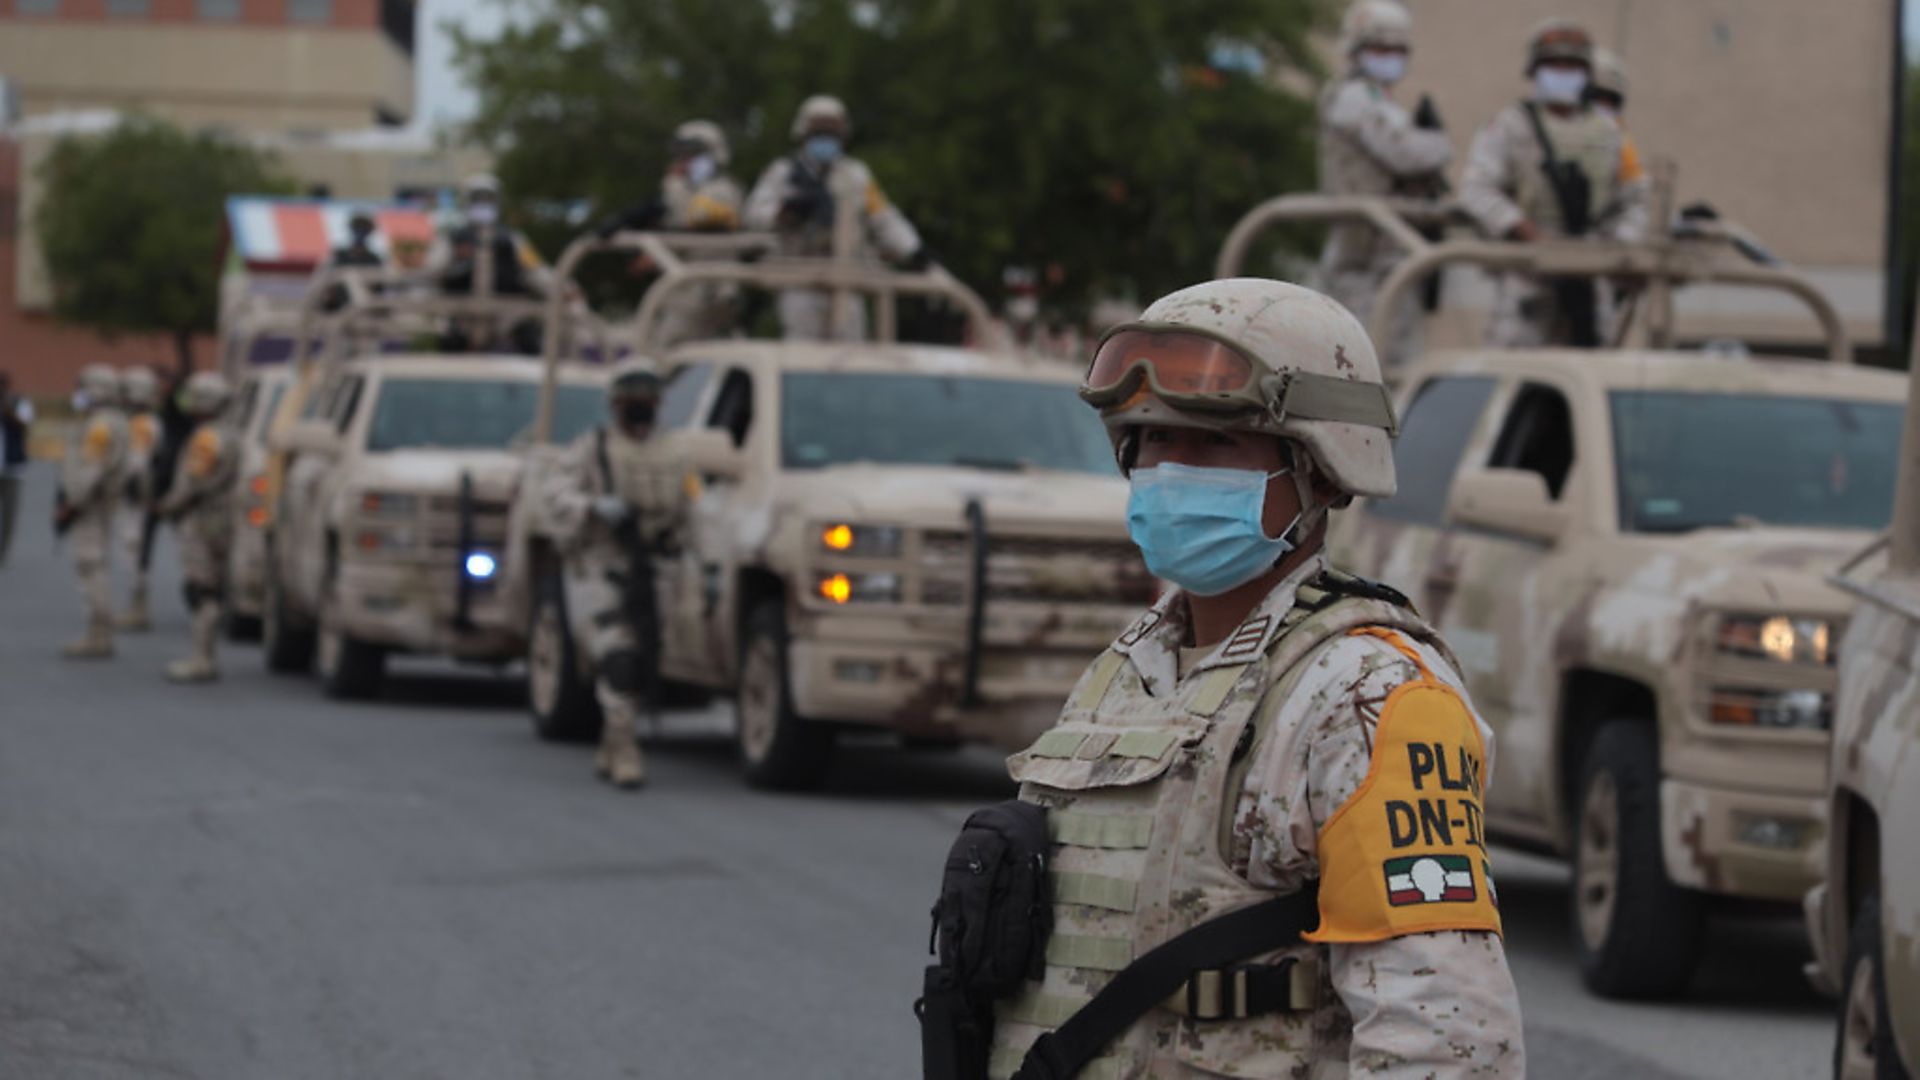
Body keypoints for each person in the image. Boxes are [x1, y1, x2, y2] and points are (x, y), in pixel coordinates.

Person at [985, 278, 1523, 1078]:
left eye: (1215, 445)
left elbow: (1448, 1038)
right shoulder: (1130, 670)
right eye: (1153, 442)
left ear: (1325, 471)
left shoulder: (1374, 696)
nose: (1170, 471)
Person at [538, 359, 699, 789]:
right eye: (632, 403)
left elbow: (693, 509)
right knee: (618, 655)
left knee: (644, 656)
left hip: (656, 571)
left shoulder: (675, 454)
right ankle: (626, 746)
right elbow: (555, 494)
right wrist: (592, 508)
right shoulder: (593, 449)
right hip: (602, 565)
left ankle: (612, 740)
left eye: (647, 402)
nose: (640, 411)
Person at [1461, 19, 1642, 347]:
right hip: (1528, 275)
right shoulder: (1510, 125)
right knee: (1517, 375)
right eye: (1554, 64)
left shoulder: (1610, 134)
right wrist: (1521, 228)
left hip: (1590, 272)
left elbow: (1633, 201)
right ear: (1535, 70)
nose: (1563, 72)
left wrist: (1619, 247)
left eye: (1572, 65)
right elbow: (1476, 189)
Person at [1315, 0, 1453, 368]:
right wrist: (1438, 142)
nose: (1389, 57)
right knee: (1361, 360)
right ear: (1356, 50)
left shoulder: (1380, 101)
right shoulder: (1353, 96)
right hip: (1363, 256)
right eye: (1380, 48)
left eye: (1397, 50)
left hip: (1390, 253)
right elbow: (1408, 153)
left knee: (1396, 363)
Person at [743, 95, 930, 340]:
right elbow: (753, 214)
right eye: (818, 132)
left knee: (850, 353)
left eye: (831, 133)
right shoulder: (783, 173)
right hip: (799, 279)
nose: (825, 139)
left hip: (847, 278)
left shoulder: (856, 175)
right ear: (803, 133)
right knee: (803, 353)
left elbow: (884, 217)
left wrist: (913, 249)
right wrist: (784, 213)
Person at [598, 120, 746, 345]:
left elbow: (698, 219)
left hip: (710, 292)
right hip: (684, 290)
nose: (684, 163)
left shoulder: (724, 190)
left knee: (671, 351)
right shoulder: (685, 192)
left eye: (693, 155)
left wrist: (672, 186)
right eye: (682, 156)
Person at [158, 372, 240, 683]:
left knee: (202, 589)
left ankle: (202, 658)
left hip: (203, 518)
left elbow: (192, 482)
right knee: (213, 588)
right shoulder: (231, 434)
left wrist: (167, 506)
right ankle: (205, 656)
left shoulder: (206, 438)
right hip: (223, 518)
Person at [55, 364, 131, 659]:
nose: (79, 392)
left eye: (83, 386)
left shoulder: (101, 425)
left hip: (90, 506)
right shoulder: (112, 420)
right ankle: (99, 634)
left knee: (90, 566)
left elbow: (93, 469)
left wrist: (71, 504)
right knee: (95, 565)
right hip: (97, 503)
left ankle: (99, 634)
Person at [427, 173, 552, 299]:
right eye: (477, 198)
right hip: (458, 308)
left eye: (488, 199)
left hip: (507, 310)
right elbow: (433, 270)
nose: (483, 203)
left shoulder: (513, 239)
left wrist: (561, 289)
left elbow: (536, 270)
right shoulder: (452, 238)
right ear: (467, 201)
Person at [116, 366, 162, 631]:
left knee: (134, 550)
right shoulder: (144, 422)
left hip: (137, 497)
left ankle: (138, 608)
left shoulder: (142, 425)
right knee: (135, 551)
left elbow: (137, 462)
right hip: (140, 495)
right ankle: (137, 606)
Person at [0, 369, 33, 566]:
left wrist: (7, 411)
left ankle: (3, 553)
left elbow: (25, 425)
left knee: (9, 515)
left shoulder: (20, 403)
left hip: (13, 469)